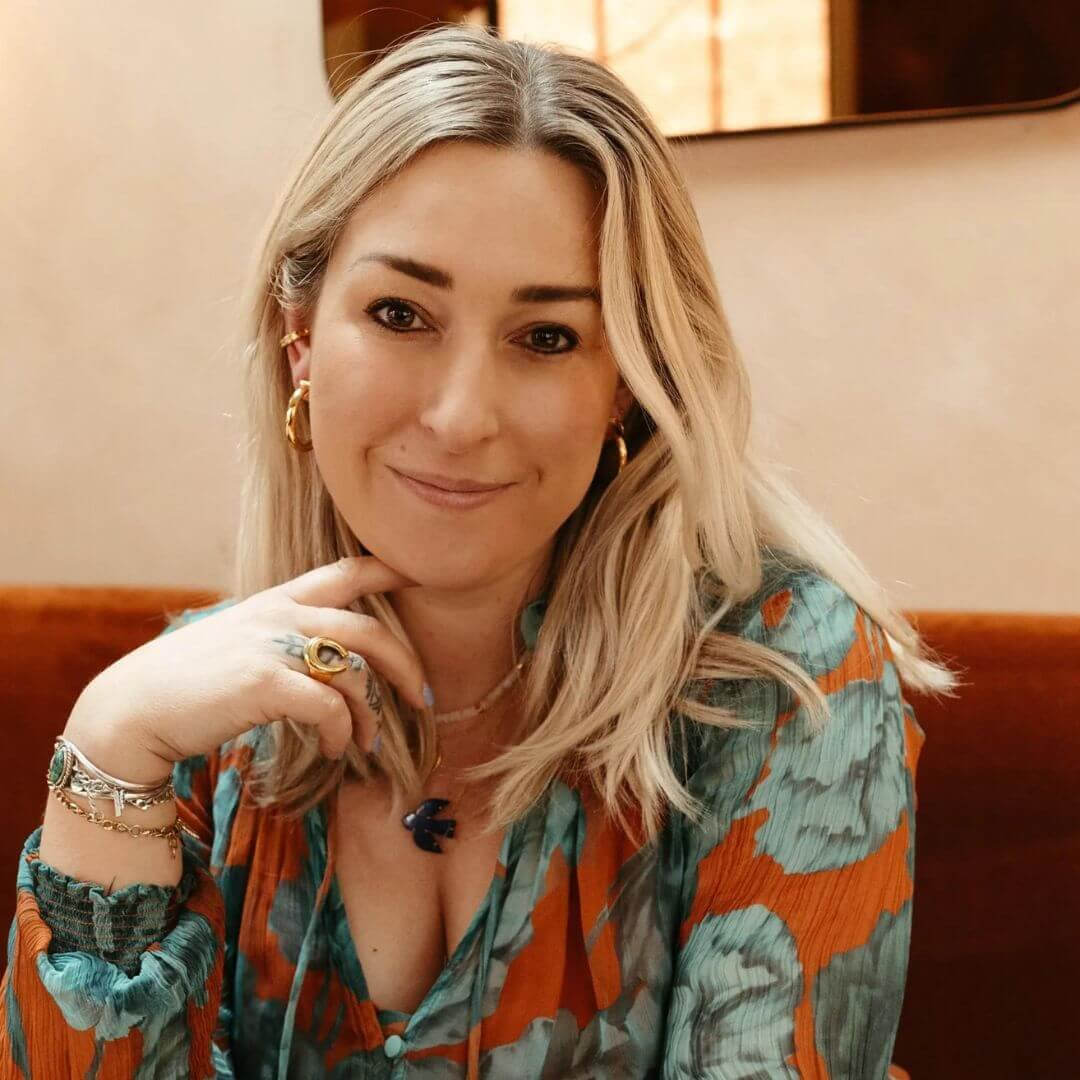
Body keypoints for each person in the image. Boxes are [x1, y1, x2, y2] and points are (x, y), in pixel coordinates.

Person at [0, 22, 956, 1080]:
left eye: (546, 337)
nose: (461, 417)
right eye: (401, 313)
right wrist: (107, 744)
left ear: (625, 384)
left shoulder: (781, 672)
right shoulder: (190, 722)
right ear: (300, 337)